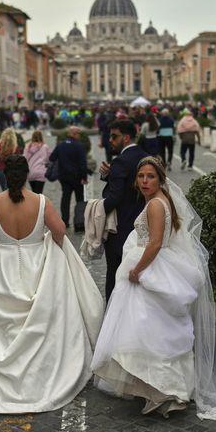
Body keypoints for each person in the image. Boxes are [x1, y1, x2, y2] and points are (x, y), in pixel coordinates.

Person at [91, 157, 216, 420]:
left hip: (151, 268)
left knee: (149, 332)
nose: (145, 181)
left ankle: (164, 390)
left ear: (160, 178)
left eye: (150, 177)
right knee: (153, 332)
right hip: (158, 266)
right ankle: (160, 389)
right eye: (141, 176)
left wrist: (137, 270)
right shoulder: (160, 200)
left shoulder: (156, 204)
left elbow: (155, 243)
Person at [0, 155, 103, 413]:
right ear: (27, 175)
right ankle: (39, 370)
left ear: (5, 175)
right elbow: (59, 230)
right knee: (40, 321)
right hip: (37, 265)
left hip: (2, 268)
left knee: (3, 327)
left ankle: (3, 376)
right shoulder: (41, 202)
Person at [99, 119, 148, 300]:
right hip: (143, 226)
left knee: (115, 275)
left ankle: (113, 314)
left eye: (114, 136)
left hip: (121, 228)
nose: (110, 140)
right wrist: (108, 176)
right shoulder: (145, 156)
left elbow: (115, 197)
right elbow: (130, 185)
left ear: (126, 138)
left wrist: (94, 209)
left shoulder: (120, 161)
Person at [50, 126, 88, 229]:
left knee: (65, 199)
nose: (79, 136)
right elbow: (83, 164)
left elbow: (52, 157)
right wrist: (84, 177)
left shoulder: (61, 145)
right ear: (74, 134)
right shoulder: (79, 146)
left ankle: (65, 221)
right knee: (79, 199)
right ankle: (79, 222)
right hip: (77, 177)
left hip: (64, 177)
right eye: (78, 134)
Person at [23, 130, 50, 194]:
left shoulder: (28, 147)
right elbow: (49, 159)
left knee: (34, 192)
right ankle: (39, 203)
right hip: (41, 172)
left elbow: (24, 159)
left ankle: (34, 203)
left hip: (30, 172)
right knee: (39, 193)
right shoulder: (45, 147)